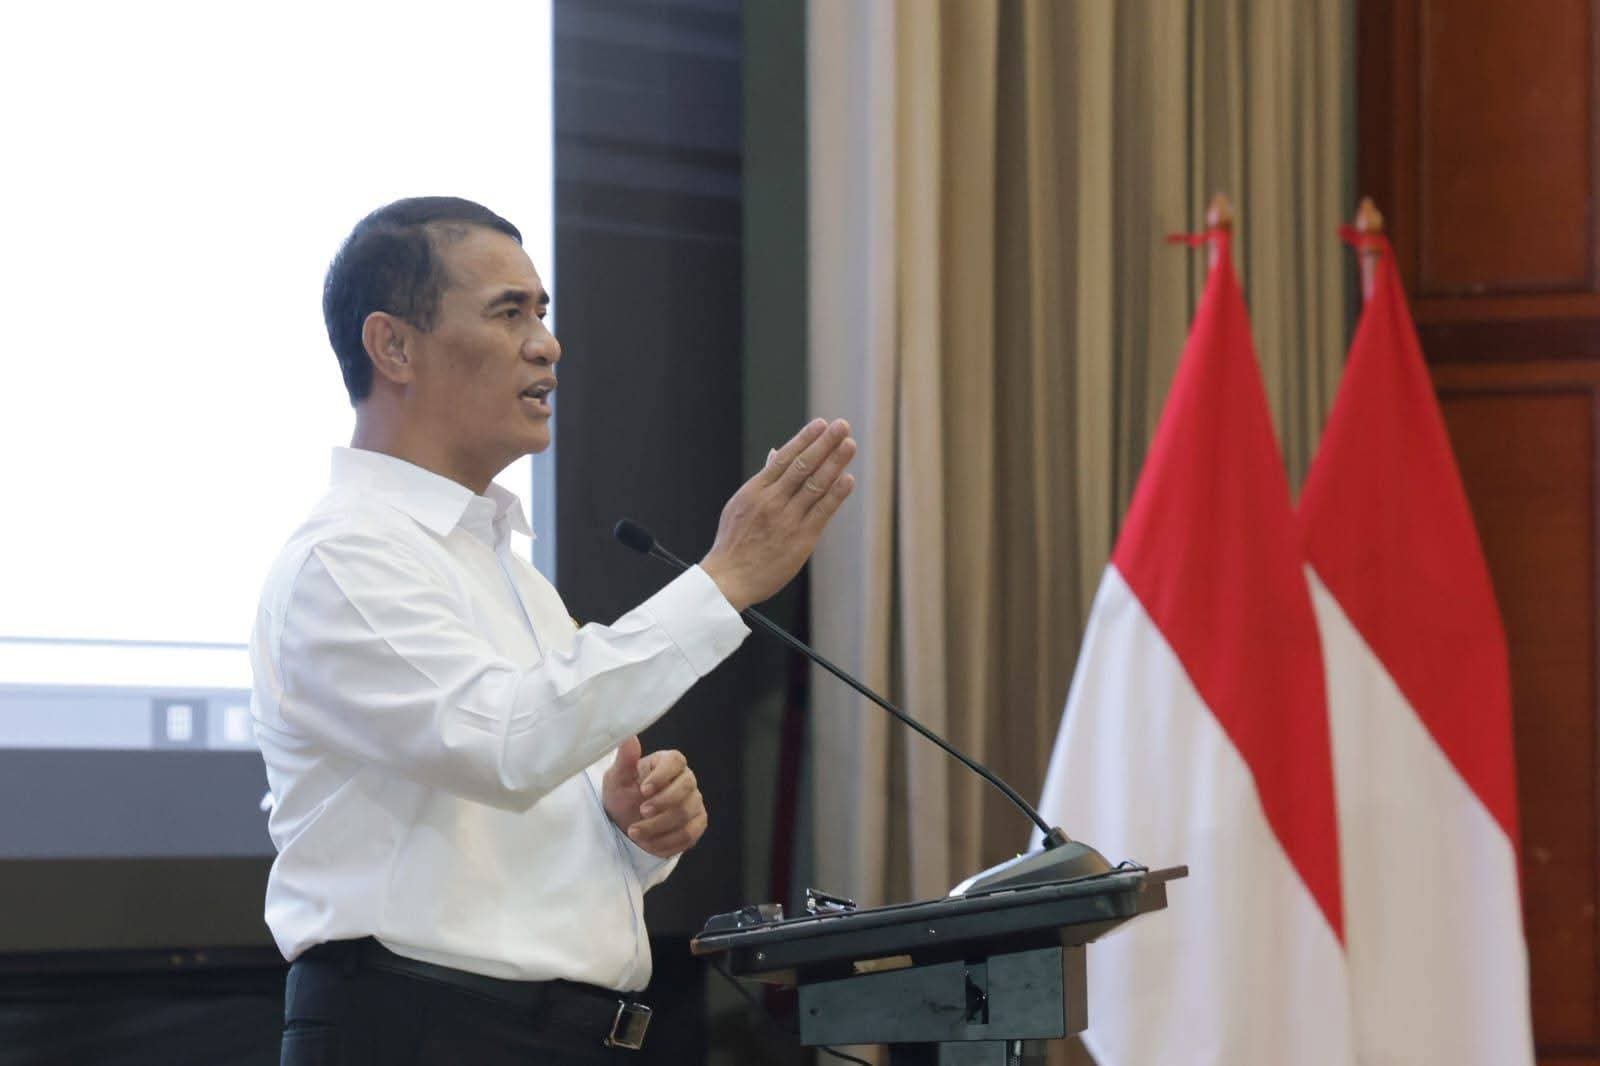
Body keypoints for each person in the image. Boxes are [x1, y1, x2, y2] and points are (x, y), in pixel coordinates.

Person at [250, 196, 856, 1065]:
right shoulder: (344, 557)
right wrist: (722, 582)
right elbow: (506, 744)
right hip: (425, 1033)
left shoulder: (514, 577)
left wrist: (627, 829)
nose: (547, 344)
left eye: (542, 311)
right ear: (393, 347)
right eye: (509, 314)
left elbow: (520, 793)